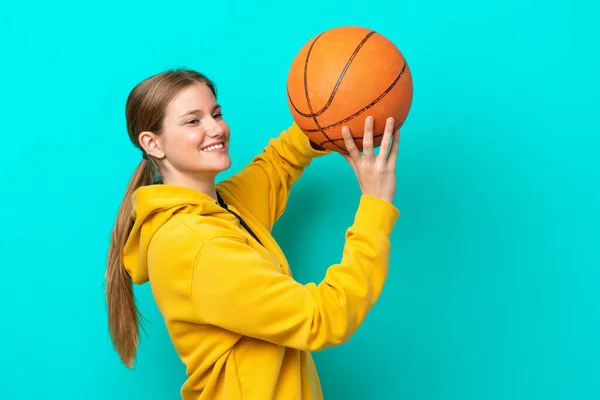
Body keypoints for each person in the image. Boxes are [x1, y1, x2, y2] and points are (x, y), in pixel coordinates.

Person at [105, 68, 401, 399]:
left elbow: (279, 163)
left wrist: (329, 118)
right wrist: (375, 205)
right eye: (193, 121)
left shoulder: (222, 206)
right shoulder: (195, 245)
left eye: (216, 114)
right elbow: (323, 318)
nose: (216, 128)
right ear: (152, 143)